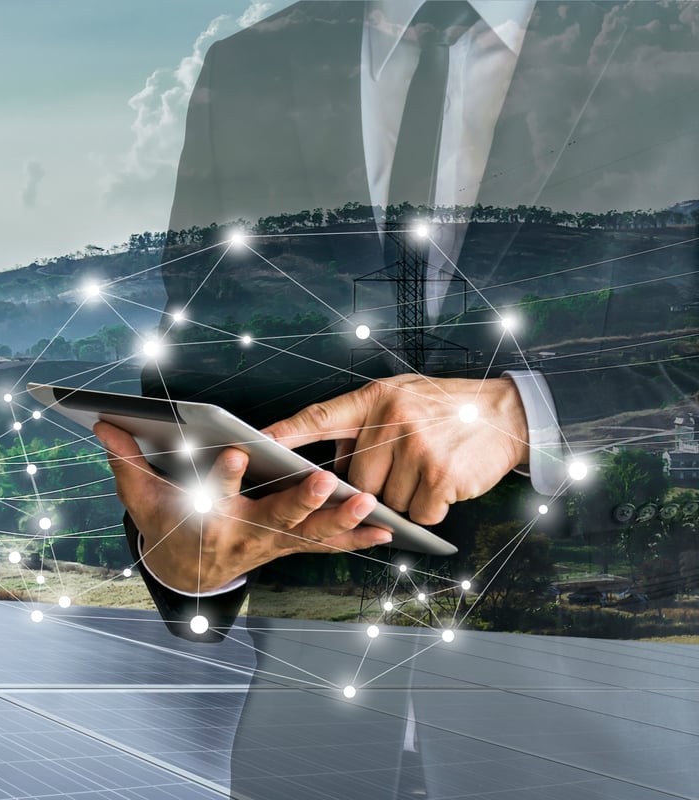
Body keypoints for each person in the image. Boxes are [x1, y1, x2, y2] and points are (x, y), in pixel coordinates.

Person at [95, 2, 699, 797]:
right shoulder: (252, 66)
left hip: (618, 749)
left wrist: (525, 418)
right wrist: (189, 562)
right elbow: (204, 369)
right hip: (309, 753)